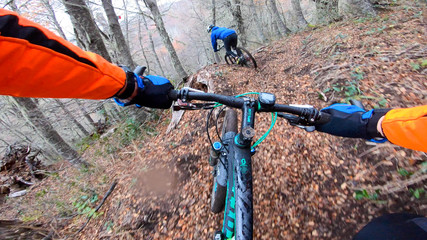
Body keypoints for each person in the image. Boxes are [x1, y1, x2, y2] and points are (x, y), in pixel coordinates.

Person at [1, 8, 426, 239]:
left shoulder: (212, 32)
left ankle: (232, 63)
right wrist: (375, 123)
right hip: (234, 40)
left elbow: (16, 45)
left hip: (224, 46)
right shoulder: (222, 26)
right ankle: (237, 59)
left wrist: (132, 87)